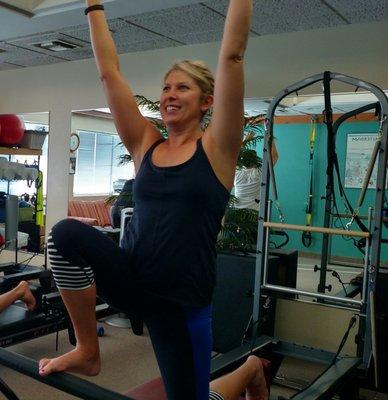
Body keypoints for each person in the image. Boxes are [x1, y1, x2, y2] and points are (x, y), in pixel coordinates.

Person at [39, 1, 253, 399]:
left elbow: (233, 55)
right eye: (166, 87)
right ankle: (87, 349)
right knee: (63, 235)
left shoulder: (218, 149)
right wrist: (93, 6)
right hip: (133, 280)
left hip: (181, 303)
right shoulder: (145, 145)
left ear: (208, 102)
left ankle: (249, 371)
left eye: (183, 87)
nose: (170, 94)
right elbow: (109, 74)